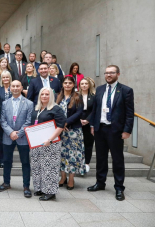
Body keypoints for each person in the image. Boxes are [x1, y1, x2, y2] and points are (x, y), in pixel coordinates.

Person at [87, 65, 134, 201]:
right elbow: (95, 109)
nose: (108, 75)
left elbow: (130, 114)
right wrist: (92, 125)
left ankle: (119, 188)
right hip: (100, 129)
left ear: (118, 74)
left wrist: (127, 130)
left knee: (117, 159)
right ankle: (100, 183)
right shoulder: (100, 89)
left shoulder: (126, 91)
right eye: (106, 73)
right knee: (101, 158)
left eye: (112, 73)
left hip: (116, 131)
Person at [0, 80, 33, 198]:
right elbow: (2, 120)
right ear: (10, 88)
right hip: (8, 136)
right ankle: (6, 183)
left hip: (23, 137)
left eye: (18, 86)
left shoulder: (29, 103)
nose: (15, 88)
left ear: (22, 87)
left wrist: (19, 133)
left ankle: (26, 186)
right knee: (6, 161)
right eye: (13, 86)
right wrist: (11, 132)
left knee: (25, 162)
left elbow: (29, 121)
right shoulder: (4, 103)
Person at [29, 87, 66, 201]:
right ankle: (40, 188)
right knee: (37, 166)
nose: (44, 96)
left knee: (49, 167)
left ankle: (50, 192)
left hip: (50, 144)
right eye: (42, 94)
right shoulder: (36, 109)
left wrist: (50, 139)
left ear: (51, 96)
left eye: (47, 94)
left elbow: (60, 126)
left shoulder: (56, 109)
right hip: (36, 143)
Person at [56, 76, 85, 190]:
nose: (67, 85)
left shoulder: (78, 97)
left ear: (73, 85)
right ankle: (63, 178)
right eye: (65, 83)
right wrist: (60, 125)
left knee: (72, 155)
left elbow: (79, 113)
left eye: (69, 83)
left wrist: (66, 123)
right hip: (60, 132)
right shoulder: (59, 97)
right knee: (62, 155)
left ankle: (71, 179)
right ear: (62, 84)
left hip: (73, 131)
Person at [0, 71, 13, 168]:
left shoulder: (13, 88)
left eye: (7, 77)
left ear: (10, 78)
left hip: (12, 117)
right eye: (4, 77)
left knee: (10, 140)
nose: (5, 79)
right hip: (0, 117)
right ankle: (1, 159)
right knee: (0, 139)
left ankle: (9, 159)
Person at [79, 77, 96, 172]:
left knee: (88, 143)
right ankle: (79, 161)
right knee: (79, 143)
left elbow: (95, 110)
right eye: (82, 84)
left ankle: (87, 163)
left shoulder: (93, 96)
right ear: (80, 86)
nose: (84, 85)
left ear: (89, 85)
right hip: (78, 121)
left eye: (86, 83)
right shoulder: (76, 96)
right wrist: (79, 120)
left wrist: (88, 120)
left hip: (90, 122)